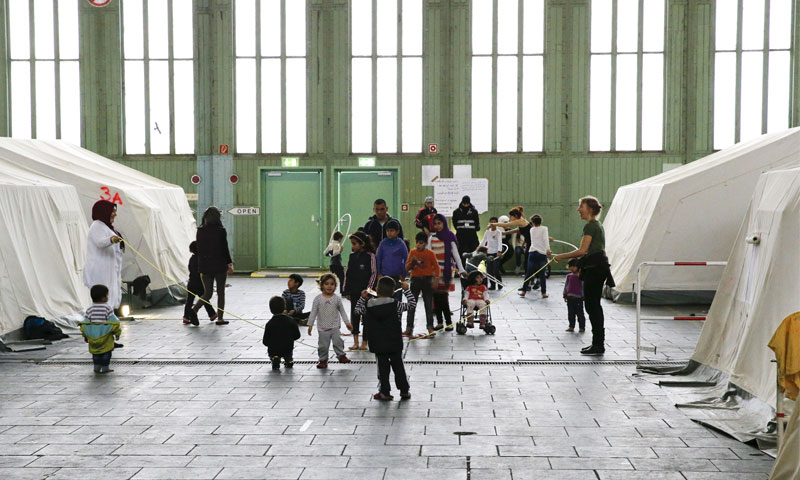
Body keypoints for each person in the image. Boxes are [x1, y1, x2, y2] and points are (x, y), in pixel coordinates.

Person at [553, 196, 615, 355]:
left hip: (595, 268)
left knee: (592, 306)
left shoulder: (590, 227)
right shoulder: (596, 225)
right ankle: (597, 343)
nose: (578, 209)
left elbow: (582, 250)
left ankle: (598, 344)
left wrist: (560, 256)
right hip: (598, 267)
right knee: (593, 305)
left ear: (590, 209)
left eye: (581, 206)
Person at [355, 277, 415, 401]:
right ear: (393, 292)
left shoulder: (369, 305)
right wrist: (407, 291)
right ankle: (404, 391)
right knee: (398, 366)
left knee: (382, 368)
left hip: (377, 343)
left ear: (376, 290)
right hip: (394, 342)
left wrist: (362, 298)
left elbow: (357, 311)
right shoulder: (396, 305)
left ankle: (385, 392)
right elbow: (412, 305)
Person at [191, 206, 233, 325]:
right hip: (219, 266)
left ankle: (194, 310)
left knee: (207, 293)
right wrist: (229, 264)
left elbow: (199, 249)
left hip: (205, 266)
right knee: (220, 293)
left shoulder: (200, 231)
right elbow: (225, 249)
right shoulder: (221, 230)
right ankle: (220, 318)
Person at [84, 200, 124, 314]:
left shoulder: (108, 227)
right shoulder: (97, 225)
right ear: (104, 211)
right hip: (100, 269)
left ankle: (109, 313)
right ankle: (101, 316)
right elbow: (100, 242)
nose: (115, 214)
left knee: (111, 291)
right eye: (113, 211)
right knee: (103, 293)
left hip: (108, 268)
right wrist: (111, 240)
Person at [429, 213, 467, 331]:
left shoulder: (450, 236)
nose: (437, 226)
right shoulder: (431, 237)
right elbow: (429, 255)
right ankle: (440, 322)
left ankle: (449, 323)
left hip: (446, 271)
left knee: (443, 297)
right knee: (435, 297)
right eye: (435, 224)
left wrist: (461, 269)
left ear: (444, 223)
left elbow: (456, 254)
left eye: (439, 223)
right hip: (434, 271)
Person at [307, 273, 353, 368]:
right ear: (321, 285)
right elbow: (313, 312)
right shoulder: (318, 299)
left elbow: (342, 312)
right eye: (326, 283)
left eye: (332, 284)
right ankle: (323, 360)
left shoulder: (337, 299)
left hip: (335, 326)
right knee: (323, 346)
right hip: (322, 328)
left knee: (338, 342)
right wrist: (310, 325)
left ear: (335, 286)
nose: (329, 286)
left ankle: (341, 356)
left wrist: (347, 323)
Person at [343, 231, 377, 350]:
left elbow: (374, 274)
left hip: (367, 293)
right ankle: (355, 341)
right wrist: (346, 291)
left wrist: (369, 290)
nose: (353, 247)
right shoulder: (352, 256)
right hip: (354, 292)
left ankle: (365, 342)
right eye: (352, 244)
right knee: (355, 315)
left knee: (367, 317)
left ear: (362, 244)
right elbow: (347, 274)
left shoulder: (370, 256)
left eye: (355, 244)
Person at [404, 231, 440, 336]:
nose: (419, 245)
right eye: (417, 243)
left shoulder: (430, 253)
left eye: (421, 243)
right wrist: (412, 263)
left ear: (425, 243)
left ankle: (430, 328)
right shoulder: (412, 252)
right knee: (412, 304)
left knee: (428, 305)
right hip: (415, 280)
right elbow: (406, 267)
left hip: (427, 280)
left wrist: (436, 279)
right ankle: (409, 328)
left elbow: (436, 267)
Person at [80, 285, 121, 374]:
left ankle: (96, 367)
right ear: (103, 298)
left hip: (93, 336)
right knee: (106, 353)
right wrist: (117, 333)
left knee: (95, 353)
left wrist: (85, 335)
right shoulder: (107, 309)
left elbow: (85, 324)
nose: (108, 297)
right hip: (105, 336)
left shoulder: (89, 309)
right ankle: (105, 368)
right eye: (107, 295)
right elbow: (114, 322)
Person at [184, 241, 217, 326]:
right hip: (200, 283)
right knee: (205, 299)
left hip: (191, 283)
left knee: (189, 301)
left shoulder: (192, 258)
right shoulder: (201, 259)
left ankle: (186, 317)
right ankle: (212, 314)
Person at [263, 296, 301, 370]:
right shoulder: (291, 320)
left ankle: (275, 358)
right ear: (284, 308)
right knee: (288, 352)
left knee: (273, 352)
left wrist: (269, 344)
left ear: (271, 309)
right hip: (287, 347)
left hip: (274, 348)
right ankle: (288, 359)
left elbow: (265, 341)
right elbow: (297, 335)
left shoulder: (270, 323)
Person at [518, 214, 551, 299]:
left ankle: (523, 291)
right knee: (542, 274)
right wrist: (548, 249)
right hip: (541, 253)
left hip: (532, 252)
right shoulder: (544, 228)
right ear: (541, 221)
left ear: (532, 222)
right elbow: (545, 239)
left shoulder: (531, 229)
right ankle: (543, 293)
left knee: (528, 273)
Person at [492, 207, 529, 276]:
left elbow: (506, 225)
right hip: (529, 242)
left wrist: (494, 224)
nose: (510, 218)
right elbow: (517, 230)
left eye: (510, 216)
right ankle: (529, 280)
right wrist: (505, 233)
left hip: (531, 242)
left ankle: (531, 280)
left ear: (515, 216)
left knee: (528, 263)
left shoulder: (520, 221)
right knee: (527, 262)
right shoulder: (521, 221)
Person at [477, 216, 503, 289]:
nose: (493, 223)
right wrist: (479, 248)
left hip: (496, 253)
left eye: (495, 222)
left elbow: (500, 242)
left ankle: (500, 284)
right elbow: (484, 240)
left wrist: (499, 251)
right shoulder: (487, 232)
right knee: (489, 271)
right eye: (492, 222)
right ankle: (492, 285)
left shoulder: (498, 232)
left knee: (496, 270)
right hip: (489, 253)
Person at [563, 259, 586, 333]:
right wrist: (565, 293)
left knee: (580, 313)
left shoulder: (582, 277)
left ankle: (582, 327)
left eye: (573, 266)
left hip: (579, 298)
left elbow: (583, 287)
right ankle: (571, 326)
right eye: (570, 267)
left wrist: (583, 295)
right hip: (570, 297)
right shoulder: (569, 276)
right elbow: (566, 285)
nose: (571, 268)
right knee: (571, 313)